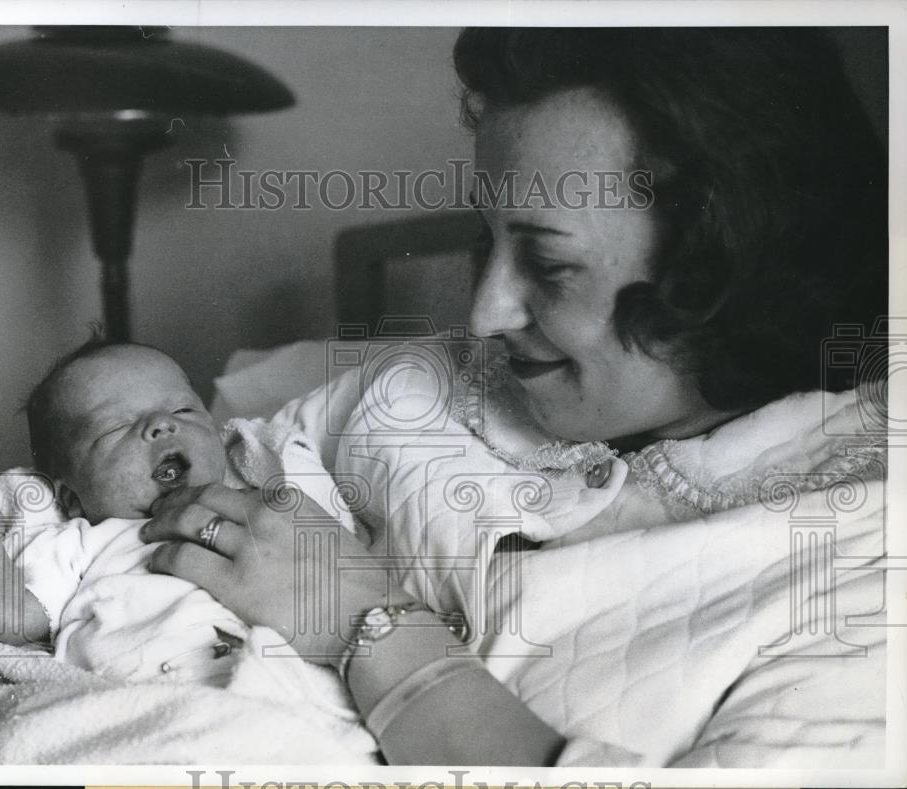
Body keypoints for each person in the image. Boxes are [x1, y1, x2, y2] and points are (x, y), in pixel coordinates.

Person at [141, 28, 888, 767]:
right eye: (485, 239)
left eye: (548, 262)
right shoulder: (417, 389)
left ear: (725, 269)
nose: (484, 315)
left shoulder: (862, 572)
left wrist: (363, 623)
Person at [0, 339, 372, 746]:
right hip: (142, 713)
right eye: (118, 426)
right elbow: (12, 621)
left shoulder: (254, 513)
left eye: (183, 410)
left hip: (278, 696)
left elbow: (334, 575)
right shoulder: (83, 542)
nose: (161, 425)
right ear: (71, 498)